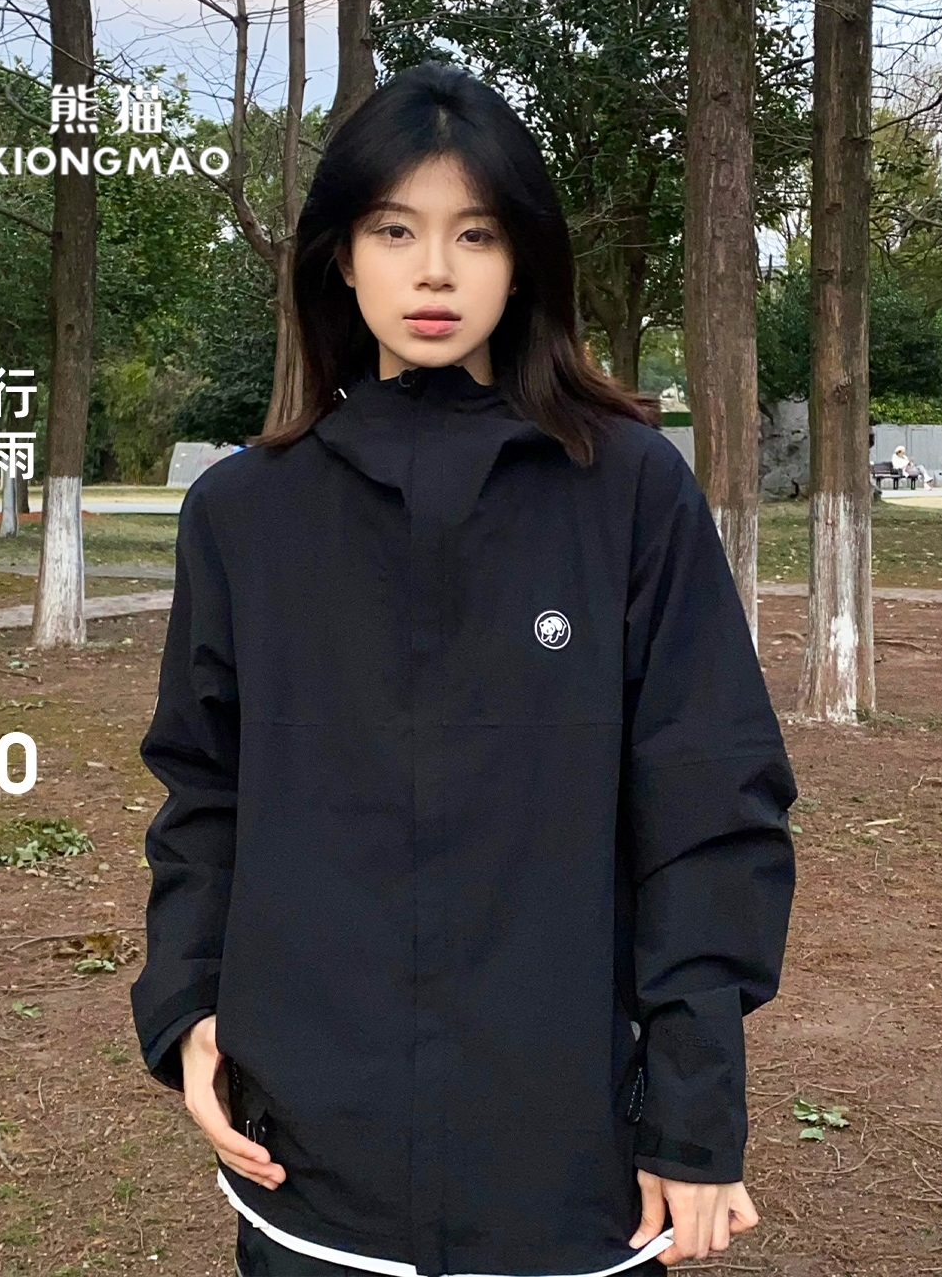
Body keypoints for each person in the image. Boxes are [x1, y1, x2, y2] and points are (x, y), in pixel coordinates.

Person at [131, 62, 798, 1277]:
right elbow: (202, 792)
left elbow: (710, 803)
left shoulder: (629, 489)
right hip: (310, 1178)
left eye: (475, 232)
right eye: (395, 230)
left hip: (573, 1171)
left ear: (523, 258)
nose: (433, 271)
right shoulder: (243, 513)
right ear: (340, 256)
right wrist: (187, 1005)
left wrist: (694, 1111)